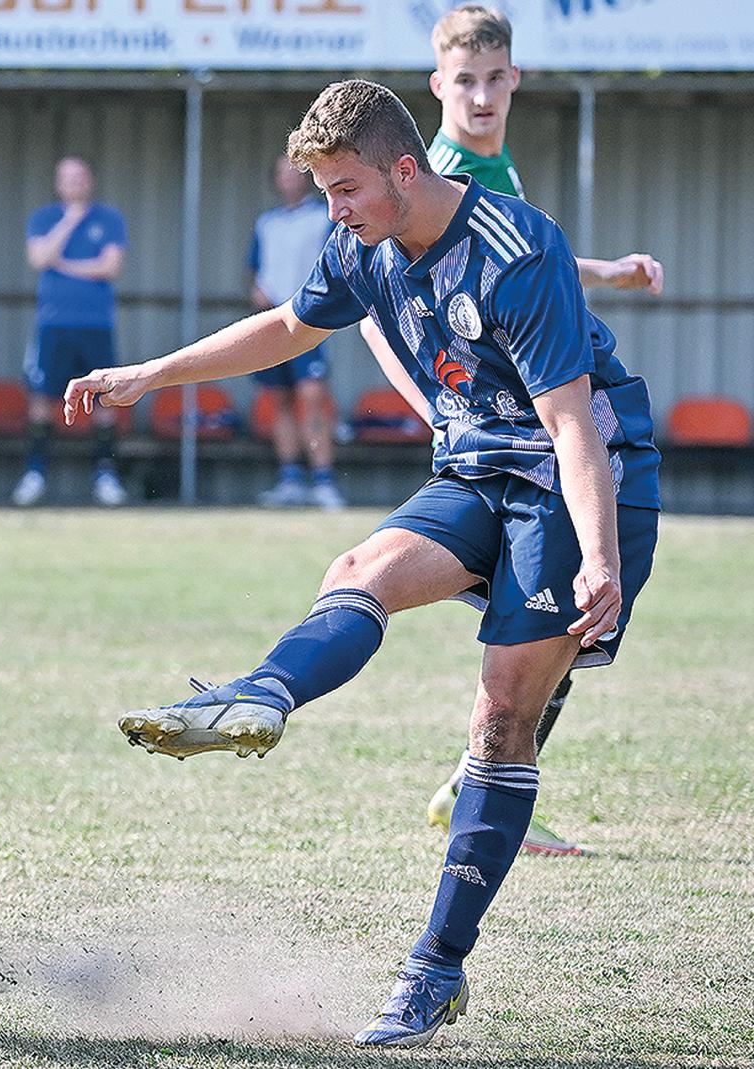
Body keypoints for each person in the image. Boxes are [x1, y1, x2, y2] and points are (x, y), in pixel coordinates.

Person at [65, 80, 658, 1047]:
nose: (333, 210)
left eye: (345, 189)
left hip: (579, 479)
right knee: (360, 567)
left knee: (503, 714)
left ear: (404, 171)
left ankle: (436, 968)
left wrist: (600, 556)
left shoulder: (518, 249)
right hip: (477, 467)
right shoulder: (360, 244)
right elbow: (288, 328)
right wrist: (152, 373)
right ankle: (259, 695)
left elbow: (569, 427)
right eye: (324, 192)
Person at [361, 4, 666, 856]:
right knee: (557, 614)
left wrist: (606, 269)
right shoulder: (439, 175)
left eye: (495, 78)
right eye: (465, 80)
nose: (482, 95)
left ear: (515, 78)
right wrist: (435, 403)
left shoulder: (492, 168)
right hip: (505, 441)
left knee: (560, 618)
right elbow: (372, 315)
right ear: (438, 85)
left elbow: (530, 263)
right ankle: (483, 785)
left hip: (521, 431)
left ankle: (479, 781)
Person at [15, 157, 128, 508]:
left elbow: (110, 267)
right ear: (57, 182)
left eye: (80, 176)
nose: (74, 182)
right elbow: (39, 259)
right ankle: (35, 473)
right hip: (53, 324)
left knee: (105, 398)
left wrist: (63, 265)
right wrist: (70, 221)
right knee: (42, 398)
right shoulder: (44, 218)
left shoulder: (109, 219)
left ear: (90, 180)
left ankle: (105, 474)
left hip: (96, 324)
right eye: (67, 177)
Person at [248, 156, 343, 510]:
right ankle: (290, 479)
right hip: (272, 322)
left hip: (308, 321)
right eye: (282, 173)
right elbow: (255, 268)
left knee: (312, 397)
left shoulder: (324, 216)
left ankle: (324, 481)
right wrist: (257, 289)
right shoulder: (266, 223)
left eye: (294, 171)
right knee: (280, 400)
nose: (288, 177)